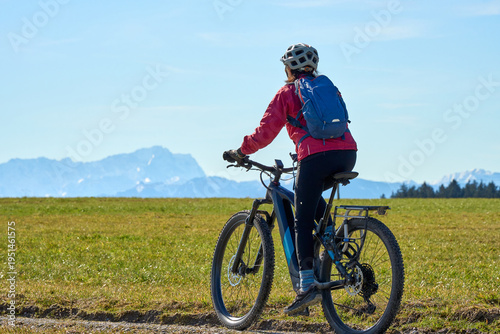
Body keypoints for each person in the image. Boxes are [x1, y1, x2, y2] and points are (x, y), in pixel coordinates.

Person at [225, 43, 357, 315]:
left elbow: (265, 132)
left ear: (288, 68)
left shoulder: (287, 92)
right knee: (309, 198)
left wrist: (241, 151)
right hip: (347, 153)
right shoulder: (328, 87)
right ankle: (334, 241)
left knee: (302, 218)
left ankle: (306, 286)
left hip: (314, 156)